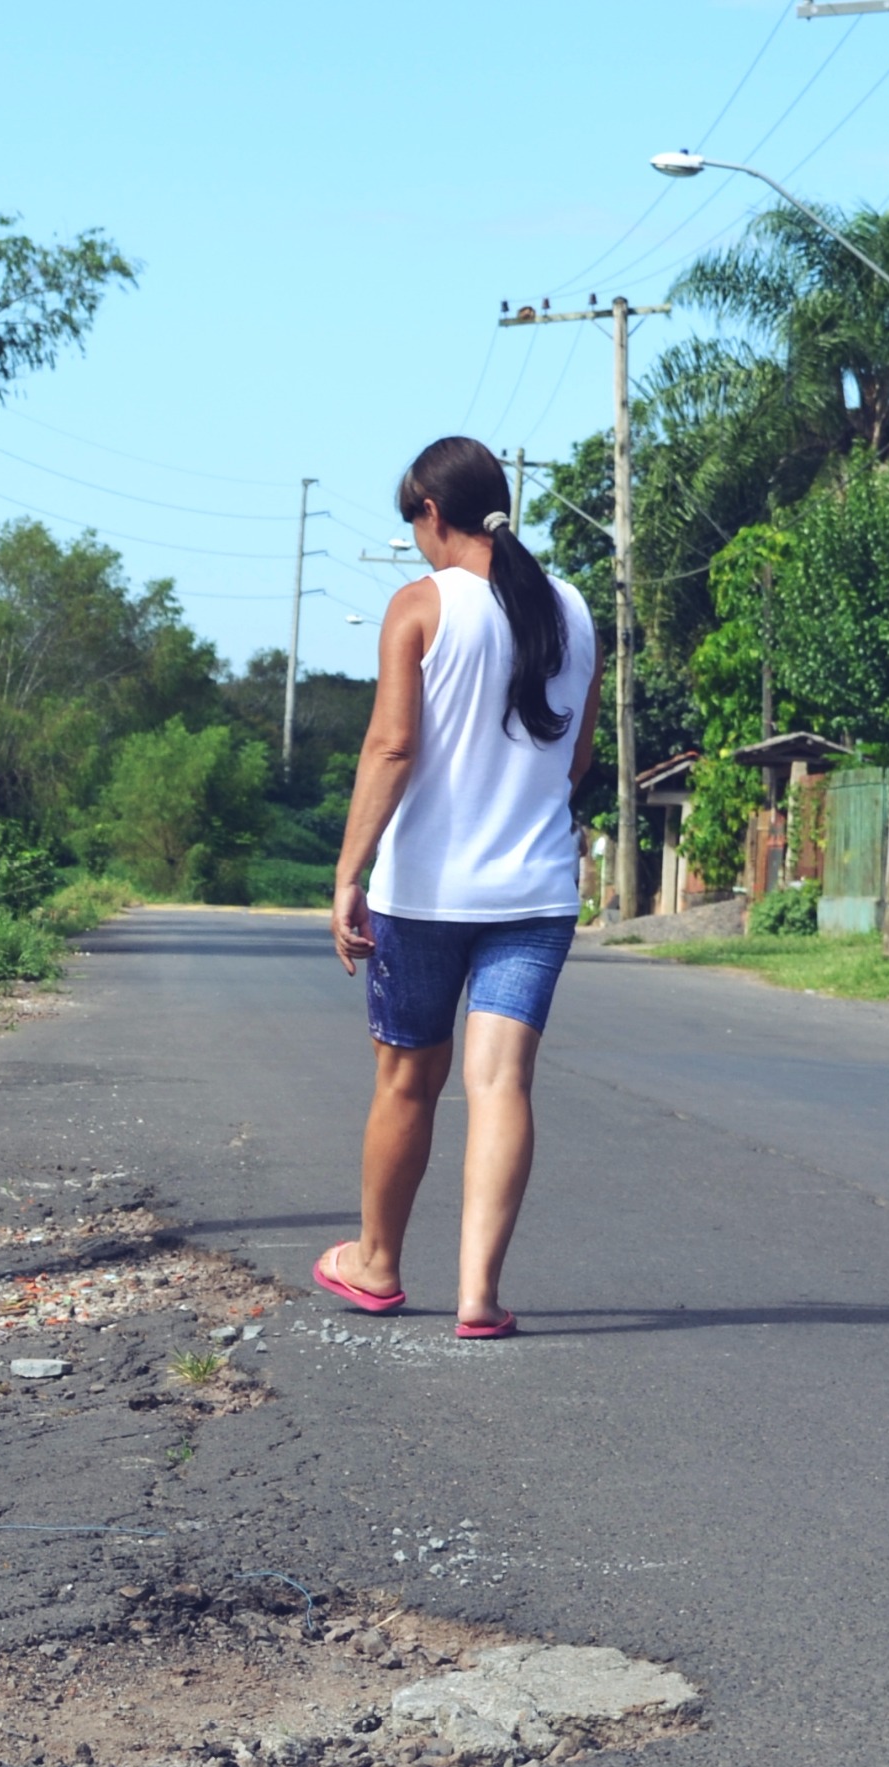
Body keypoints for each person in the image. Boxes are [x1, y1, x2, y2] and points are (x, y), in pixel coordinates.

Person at [314, 436, 599, 1339]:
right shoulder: (576, 611)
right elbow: (577, 758)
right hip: (537, 892)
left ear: (432, 514)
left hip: (425, 894)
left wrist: (348, 872)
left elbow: (391, 749)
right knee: (500, 1082)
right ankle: (479, 1295)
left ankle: (377, 1263)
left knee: (406, 1081)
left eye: (415, 527)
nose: (417, 545)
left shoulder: (422, 605)